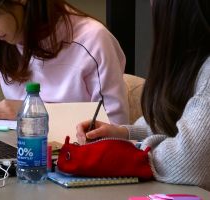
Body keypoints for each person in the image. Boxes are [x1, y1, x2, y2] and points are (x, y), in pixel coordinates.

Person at [0, 0, 128, 124]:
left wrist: (29, 111)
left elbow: (113, 124)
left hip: (70, 159)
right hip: (20, 149)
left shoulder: (92, 40)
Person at [76, 0, 210, 191]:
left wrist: (127, 151)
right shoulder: (195, 62)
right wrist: (123, 134)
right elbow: (178, 122)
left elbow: (189, 161)